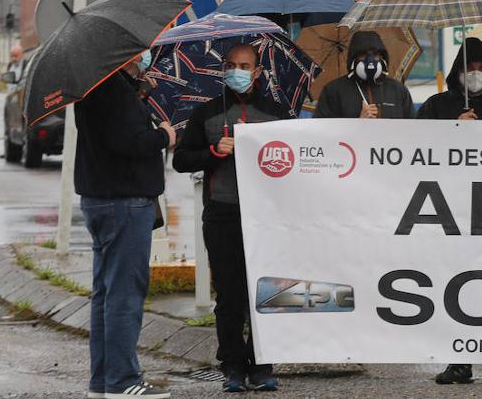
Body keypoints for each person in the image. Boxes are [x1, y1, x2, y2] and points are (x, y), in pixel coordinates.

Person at [174, 43, 289, 392]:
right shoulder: (206, 113)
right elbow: (181, 160)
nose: (237, 71)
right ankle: (233, 366)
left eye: (244, 65)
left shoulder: (277, 113)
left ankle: (263, 364)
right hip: (222, 214)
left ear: (257, 72)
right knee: (230, 294)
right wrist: (213, 152)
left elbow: (295, 160)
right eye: (231, 65)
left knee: (266, 291)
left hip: (267, 217)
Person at [417, 36, 482, 385]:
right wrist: (454, 129)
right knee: (455, 284)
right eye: (469, 69)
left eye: (481, 68)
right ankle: (458, 361)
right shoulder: (436, 105)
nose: (475, 75)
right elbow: (413, 148)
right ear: (457, 73)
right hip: (453, 210)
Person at [75, 63, 177, 399]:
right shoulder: (112, 89)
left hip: (100, 198)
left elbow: (112, 133)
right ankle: (122, 380)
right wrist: (164, 135)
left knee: (106, 292)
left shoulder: (97, 83)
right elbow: (129, 142)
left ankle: (103, 378)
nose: (146, 54)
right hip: (124, 201)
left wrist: (138, 93)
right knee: (124, 292)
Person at [315, 31, 413, 119]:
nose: (370, 61)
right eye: (363, 55)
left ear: (382, 58)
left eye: (375, 54)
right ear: (353, 59)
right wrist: (359, 123)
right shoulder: (334, 91)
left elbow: (413, 129)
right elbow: (323, 132)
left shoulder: (398, 90)